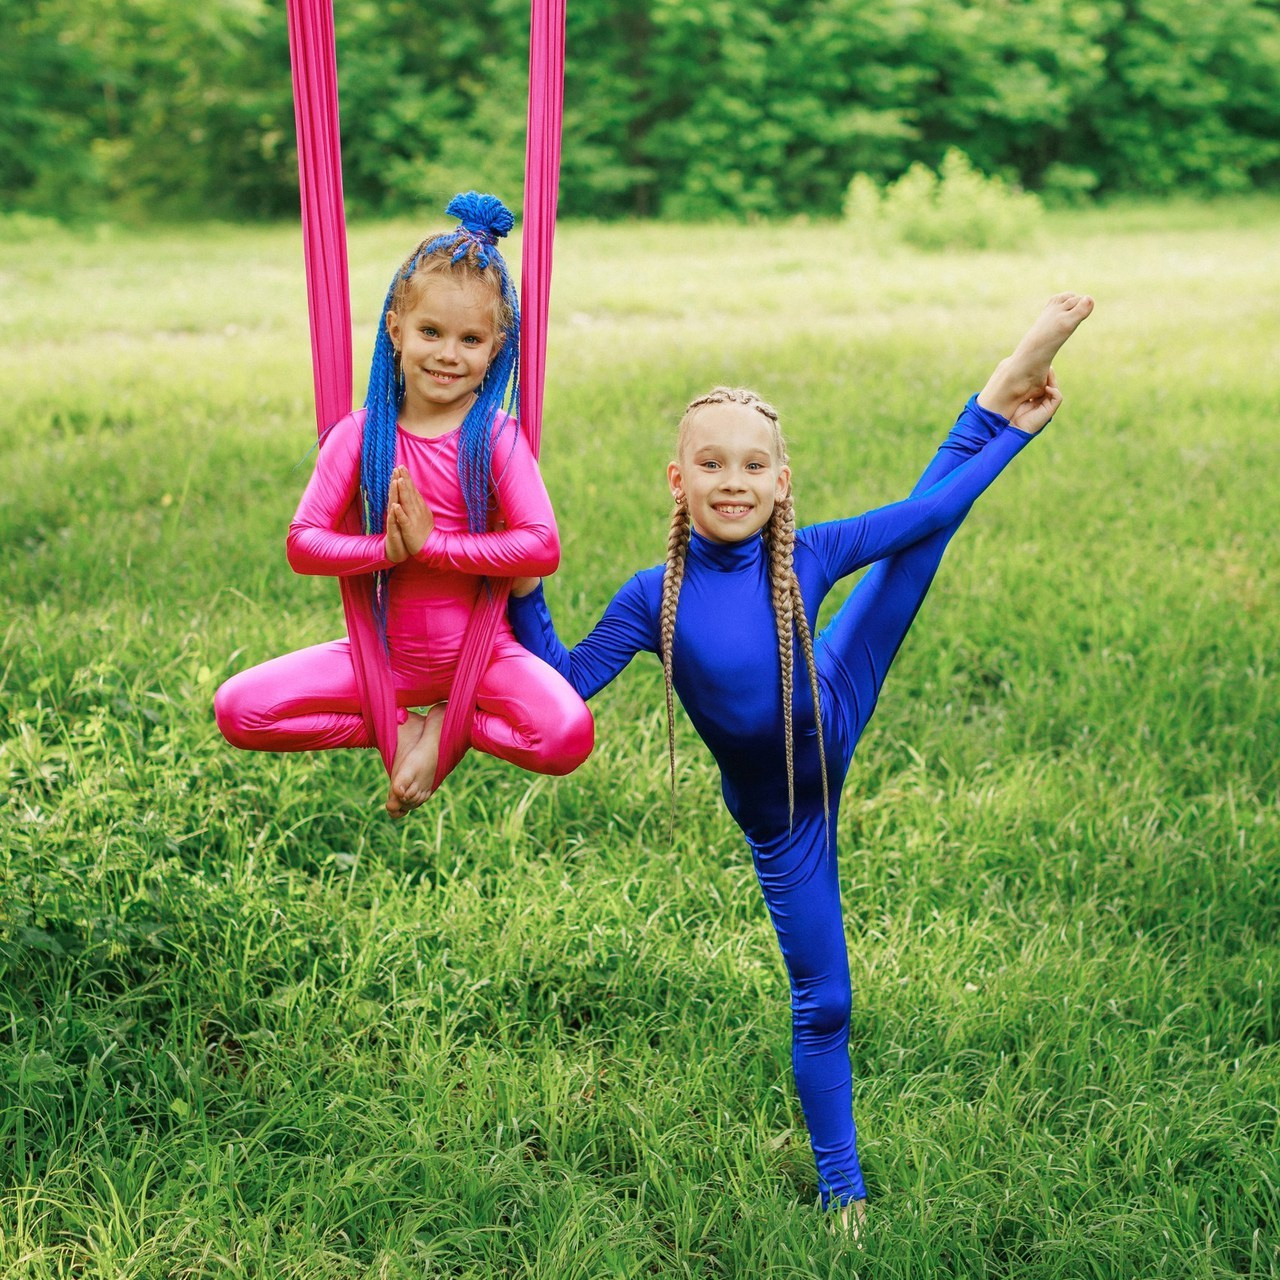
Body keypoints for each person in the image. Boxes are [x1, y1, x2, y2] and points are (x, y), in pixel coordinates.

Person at [506, 293, 1094, 1229]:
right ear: (676, 478)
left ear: (782, 481)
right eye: (710, 464)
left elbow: (926, 510)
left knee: (914, 548)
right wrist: (522, 592)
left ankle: (1000, 386)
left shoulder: (807, 557)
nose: (731, 481)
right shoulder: (648, 598)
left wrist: (1013, 433)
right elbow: (561, 687)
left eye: (751, 465)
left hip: (833, 699)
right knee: (826, 1002)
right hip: (789, 817)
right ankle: (843, 1188)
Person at [215, 192, 594, 817]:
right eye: (431, 332)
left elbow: (541, 546)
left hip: (484, 651)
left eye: (471, 339)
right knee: (239, 710)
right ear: (397, 329)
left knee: (565, 736)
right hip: (381, 660)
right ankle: (401, 727)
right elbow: (303, 543)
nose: (449, 354)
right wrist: (383, 550)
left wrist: (433, 547)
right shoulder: (360, 436)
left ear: (495, 350)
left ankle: (455, 716)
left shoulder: (496, 438)